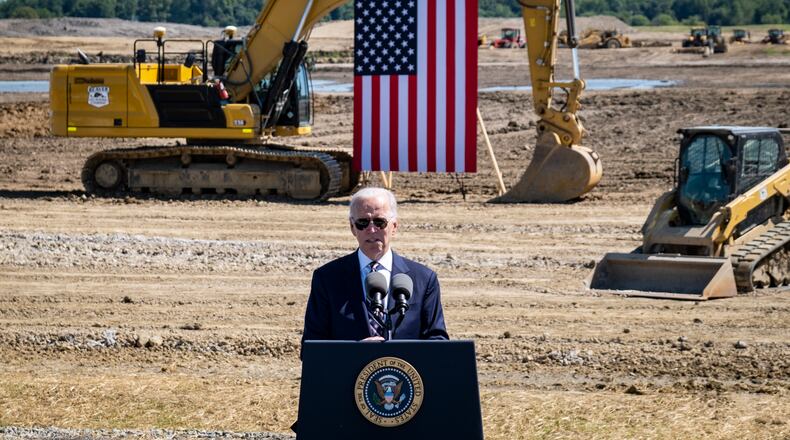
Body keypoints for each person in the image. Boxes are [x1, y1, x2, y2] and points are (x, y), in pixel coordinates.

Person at [302, 187, 448, 343]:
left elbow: (438, 342)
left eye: (380, 222)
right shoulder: (327, 279)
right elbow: (311, 347)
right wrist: (356, 353)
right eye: (362, 223)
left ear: (394, 226)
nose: (371, 229)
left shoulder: (423, 279)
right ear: (352, 227)